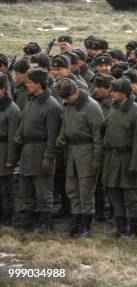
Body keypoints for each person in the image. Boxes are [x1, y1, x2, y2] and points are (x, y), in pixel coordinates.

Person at [8, 68, 62, 232]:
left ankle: (45, 219)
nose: (27, 84)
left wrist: (48, 157)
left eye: (30, 82)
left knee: (43, 189)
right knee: (26, 187)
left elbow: (54, 136)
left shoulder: (52, 106)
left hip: (41, 151)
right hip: (27, 151)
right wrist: (19, 135)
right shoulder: (31, 101)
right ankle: (28, 217)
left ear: (40, 84)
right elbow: (24, 122)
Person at [56, 79, 104, 237]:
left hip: (87, 151)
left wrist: (97, 159)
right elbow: (65, 124)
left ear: (76, 92)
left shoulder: (92, 107)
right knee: (72, 188)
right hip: (71, 151)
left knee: (86, 190)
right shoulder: (68, 104)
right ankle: (76, 220)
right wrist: (61, 138)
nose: (66, 100)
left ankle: (86, 224)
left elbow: (98, 136)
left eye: (68, 97)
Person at [102, 78, 137, 239]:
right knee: (115, 195)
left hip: (128, 159)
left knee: (131, 198)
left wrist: (135, 166)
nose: (112, 94)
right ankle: (121, 227)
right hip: (113, 159)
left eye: (115, 91)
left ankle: (134, 230)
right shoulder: (113, 109)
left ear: (124, 93)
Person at [0, 74, 21, 226]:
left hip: (5, 151)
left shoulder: (12, 109)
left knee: (6, 187)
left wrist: (10, 159)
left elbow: (14, 137)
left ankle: (7, 215)